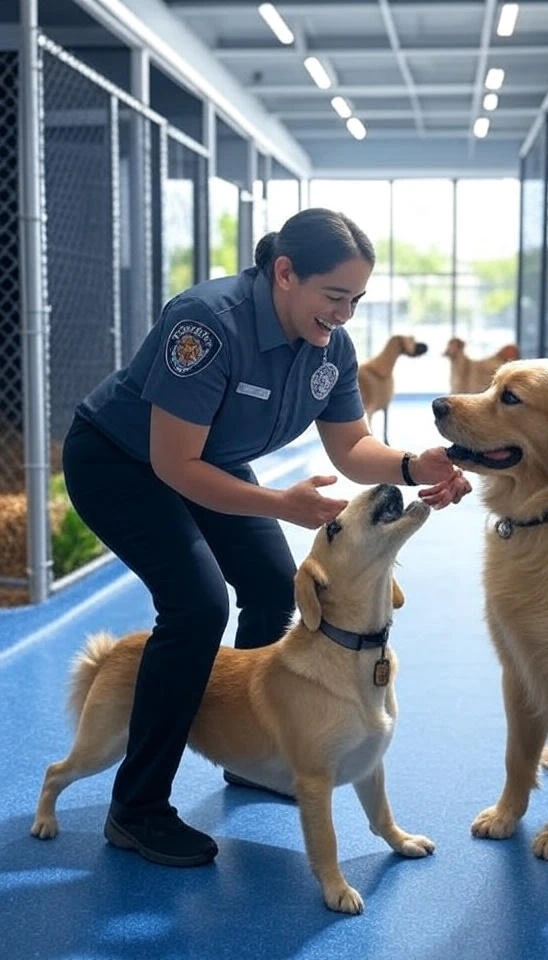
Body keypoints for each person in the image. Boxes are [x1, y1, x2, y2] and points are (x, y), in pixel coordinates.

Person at [62, 207, 471, 868]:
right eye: (333, 295)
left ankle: (253, 756)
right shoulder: (206, 324)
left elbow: (351, 446)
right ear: (284, 273)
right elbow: (174, 465)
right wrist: (281, 504)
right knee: (197, 606)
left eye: (356, 300)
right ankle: (137, 808)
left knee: (271, 586)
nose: (344, 314)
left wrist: (411, 466)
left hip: (209, 461)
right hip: (120, 462)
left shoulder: (330, 347)